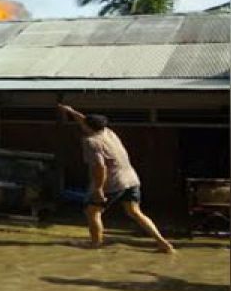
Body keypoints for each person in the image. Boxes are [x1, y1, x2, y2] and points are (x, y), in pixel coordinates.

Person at [59, 104, 175, 253]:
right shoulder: (108, 132)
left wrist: (99, 189)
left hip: (113, 182)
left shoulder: (91, 142)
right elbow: (84, 120)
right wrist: (70, 111)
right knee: (135, 212)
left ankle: (95, 244)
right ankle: (163, 243)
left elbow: (100, 167)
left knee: (92, 212)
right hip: (131, 179)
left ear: (88, 126)